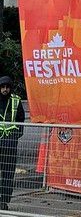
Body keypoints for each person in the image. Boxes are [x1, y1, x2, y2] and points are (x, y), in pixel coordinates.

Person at [0, 76, 23, 211]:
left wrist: (15, 137)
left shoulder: (16, 101)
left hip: (9, 144)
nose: (5, 90)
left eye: (7, 87)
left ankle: (4, 201)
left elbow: (21, 121)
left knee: (8, 174)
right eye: (2, 87)